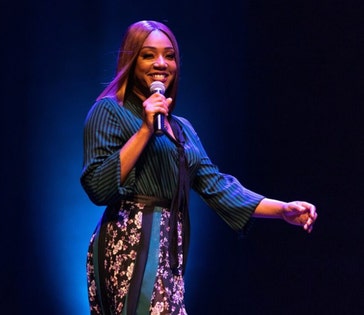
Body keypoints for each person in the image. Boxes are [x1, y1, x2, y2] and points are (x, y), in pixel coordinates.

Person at [80, 20, 318, 315]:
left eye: (169, 55)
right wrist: (144, 129)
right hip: (129, 240)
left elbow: (217, 185)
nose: (161, 63)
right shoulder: (109, 111)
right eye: (148, 55)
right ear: (131, 60)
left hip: (169, 248)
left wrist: (282, 209)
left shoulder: (182, 129)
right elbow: (97, 186)